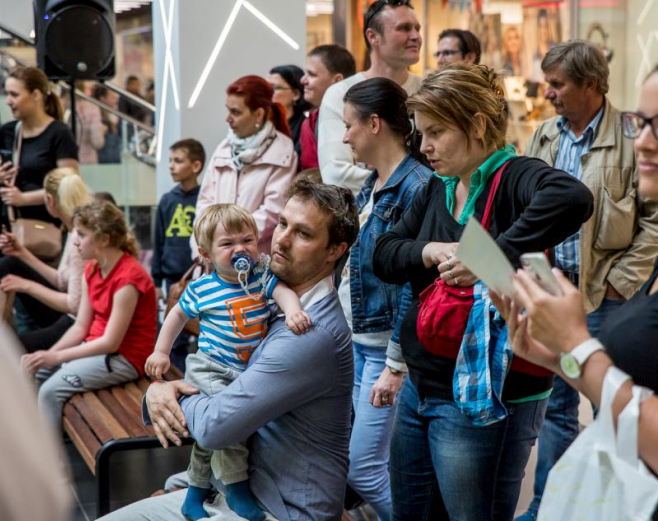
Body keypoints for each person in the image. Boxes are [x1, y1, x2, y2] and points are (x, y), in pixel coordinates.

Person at [493, 50, 658, 520]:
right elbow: (642, 386)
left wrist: (578, 345)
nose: (642, 142)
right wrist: (554, 354)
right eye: (642, 122)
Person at [372, 64, 594, 520]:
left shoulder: (513, 175)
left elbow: (573, 197)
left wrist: (490, 254)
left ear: (476, 125)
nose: (425, 148)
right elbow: (384, 256)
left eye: (436, 132)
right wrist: (432, 250)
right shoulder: (440, 185)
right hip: (421, 386)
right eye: (421, 134)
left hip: (488, 397)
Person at [98, 180, 359, 521]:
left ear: (334, 250)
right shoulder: (271, 298)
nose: (281, 239)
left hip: (281, 508)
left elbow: (215, 427)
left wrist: (164, 394)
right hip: (249, 481)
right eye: (282, 224)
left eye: (303, 234)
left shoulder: (309, 333)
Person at [515, 40, 658, 521]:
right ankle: (552, 504)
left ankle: (618, 507)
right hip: (553, 289)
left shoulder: (632, 136)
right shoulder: (543, 135)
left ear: (591, 84)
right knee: (557, 406)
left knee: (614, 403)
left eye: (559, 83)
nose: (549, 92)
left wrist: (620, 283)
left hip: (606, 294)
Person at [146, 203, 311, 521]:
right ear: (206, 254)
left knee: (210, 442)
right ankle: (236, 488)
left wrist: (292, 311)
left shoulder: (261, 276)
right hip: (211, 368)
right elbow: (177, 315)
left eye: (247, 240)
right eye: (227, 244)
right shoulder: (203, 288)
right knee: (229, 428)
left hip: (244, 371)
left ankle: (194, 495)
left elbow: (283, 292)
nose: (241, 249)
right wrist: (161, 351)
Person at [339, 77, 431, 520]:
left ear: (374, 124)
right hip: (363, 344)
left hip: (388, 353)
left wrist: (395, 364)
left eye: (348, 125)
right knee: (373, 462)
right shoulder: (372, 184)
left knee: (364, 467)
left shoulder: (417, 186)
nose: (343, 137)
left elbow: (415, 287)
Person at [20, 200, 157, 426]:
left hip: (124, 359)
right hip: (98, 349)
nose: (75, 241)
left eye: (82, 234)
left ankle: (54, 462)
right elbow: (80, 326)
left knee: (48, 392)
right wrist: (46, 355)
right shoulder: (92, 268)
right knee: (41, 372)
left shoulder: (129, 279)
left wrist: (55, 357)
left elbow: (111, 343)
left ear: (104, 240)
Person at [319, 0, 422, 195]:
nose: (416, 36)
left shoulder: (429, 91)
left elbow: (447, 170)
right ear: (373, 36)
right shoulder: (340, 94)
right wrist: (416, 182)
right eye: (404, 28)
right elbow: (336, 176)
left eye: (417, 28)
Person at [195, 75, 297, 256]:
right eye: (228, 110)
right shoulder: (223, 148)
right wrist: (203, 245)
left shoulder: (283, 152)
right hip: (213, 258)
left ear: (258, 114)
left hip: (255, 260)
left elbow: (272, 213)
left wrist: (227, 243)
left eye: (235, 112)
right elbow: (205, 203)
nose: (228, 118)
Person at [0, 168, 93, 351]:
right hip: (69, 316)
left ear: (50, 200)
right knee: (11, 263)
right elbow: (60, 280)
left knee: (13, 350)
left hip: (75, 322)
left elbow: (74, 306)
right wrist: (22, 252)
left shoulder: (78, 237)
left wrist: (26, 285)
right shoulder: (73, 229)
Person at [0, 322, 72, 521]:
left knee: (48, 388)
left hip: (117, 356)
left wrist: (52, 356)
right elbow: (40, 504)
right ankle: (55, 465)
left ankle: (58, 465)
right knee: (45, 379)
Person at [0, 66, 79, 228]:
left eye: (14, 94)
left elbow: (68, 186)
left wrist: (23, 199)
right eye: (7, 94)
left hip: (43, 228)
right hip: (8, 228)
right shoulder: (7, 132)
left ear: (36, 95)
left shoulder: (59, 133)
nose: (8, 101)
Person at [152, 138, 204, 370]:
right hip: (174, 281)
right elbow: (158, 242)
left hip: (199, 278)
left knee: (202, 333)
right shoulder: (166, 201)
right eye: (170, 161)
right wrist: (156, 282)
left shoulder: (204, 200)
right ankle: (175, 381)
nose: (171, 166)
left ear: (196, 166)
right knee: (175, 338)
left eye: (178, 161)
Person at [300, 44, 357, 170]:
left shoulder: (361, 119)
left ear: (337, 81)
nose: (303, 80)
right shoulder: (309, 122)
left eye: (312, 74)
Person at [268, 65, 310, 162]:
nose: (267, 93)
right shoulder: (258, 125)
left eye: (275, 88)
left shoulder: (305, 127)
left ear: (295, 94)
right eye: (266, 87)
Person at [75, 81, 105, 165]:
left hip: (70, 159)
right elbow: (97, 142)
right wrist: (101, 129)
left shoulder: (65, 105)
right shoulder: (93, 108)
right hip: (89, 159)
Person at [92, 85, 121, 164]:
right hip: (106, 163)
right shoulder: (98, 119)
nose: (115, 100)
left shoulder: (114, 117)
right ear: (103, 98)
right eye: (112, 97)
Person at [530, 9, 556, 82]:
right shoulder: (534, 52)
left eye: (545, 26)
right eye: (541, 26)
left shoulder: (555, 51)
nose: (543, 30)